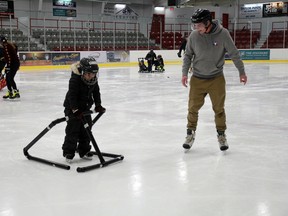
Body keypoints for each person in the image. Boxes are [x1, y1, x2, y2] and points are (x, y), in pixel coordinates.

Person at [181, 9, 247, 151]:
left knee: (219, 109)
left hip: (216, 79)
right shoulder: (194, 36)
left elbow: (234, 53)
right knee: (192, 108)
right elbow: (187, 55)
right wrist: (184, 73)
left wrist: (241, 71)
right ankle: (190, 134)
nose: (196, 28)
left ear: (207, 23)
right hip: (197, 78)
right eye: (194, 26)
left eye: (198, 25)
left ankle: (221, 135)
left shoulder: (223, 35)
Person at [62, 57, 106, 163]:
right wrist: (75, 110)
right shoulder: (75, 79)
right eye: (89, 74)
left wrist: (98, 105)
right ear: (82, 72)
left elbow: (96, 92)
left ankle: (84, 150)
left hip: (85, 108)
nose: (91, 77)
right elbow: (72, 96)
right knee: (73, 130)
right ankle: (69, 151)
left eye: (94, 74)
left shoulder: (93, 79)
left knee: (86, 130)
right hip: (72, 108)